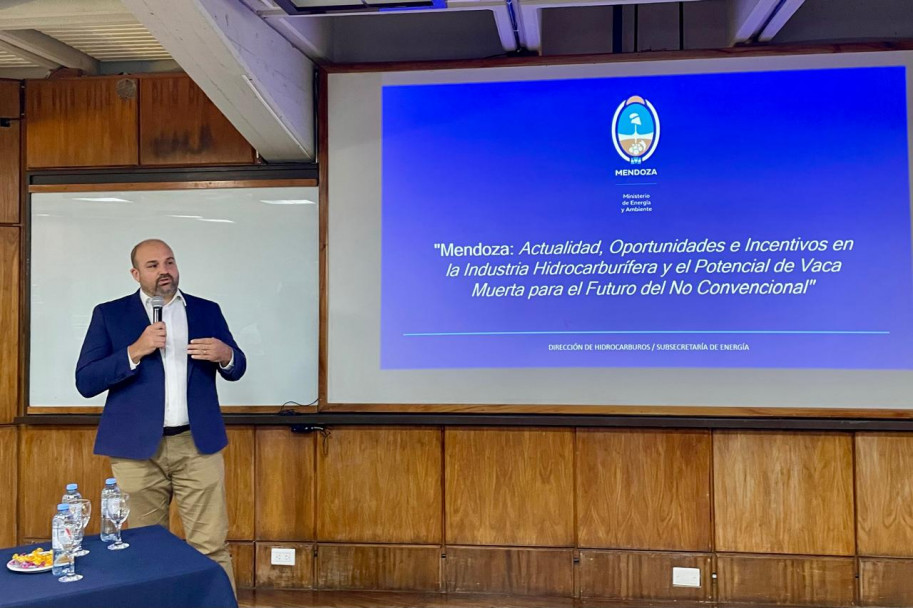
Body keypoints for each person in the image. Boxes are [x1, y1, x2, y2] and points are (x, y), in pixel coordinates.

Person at [76, 238, 246, 591]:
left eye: (169, 262)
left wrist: (226, 353)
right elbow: (86, 380)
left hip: (197, 445)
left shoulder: (206, 310)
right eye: (153, 265)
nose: (164, 271)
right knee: (142, 549)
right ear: (135, 274)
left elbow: (237, 366)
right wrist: (135, 351)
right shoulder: (110, 314)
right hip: (136, 452)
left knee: (211, 545)